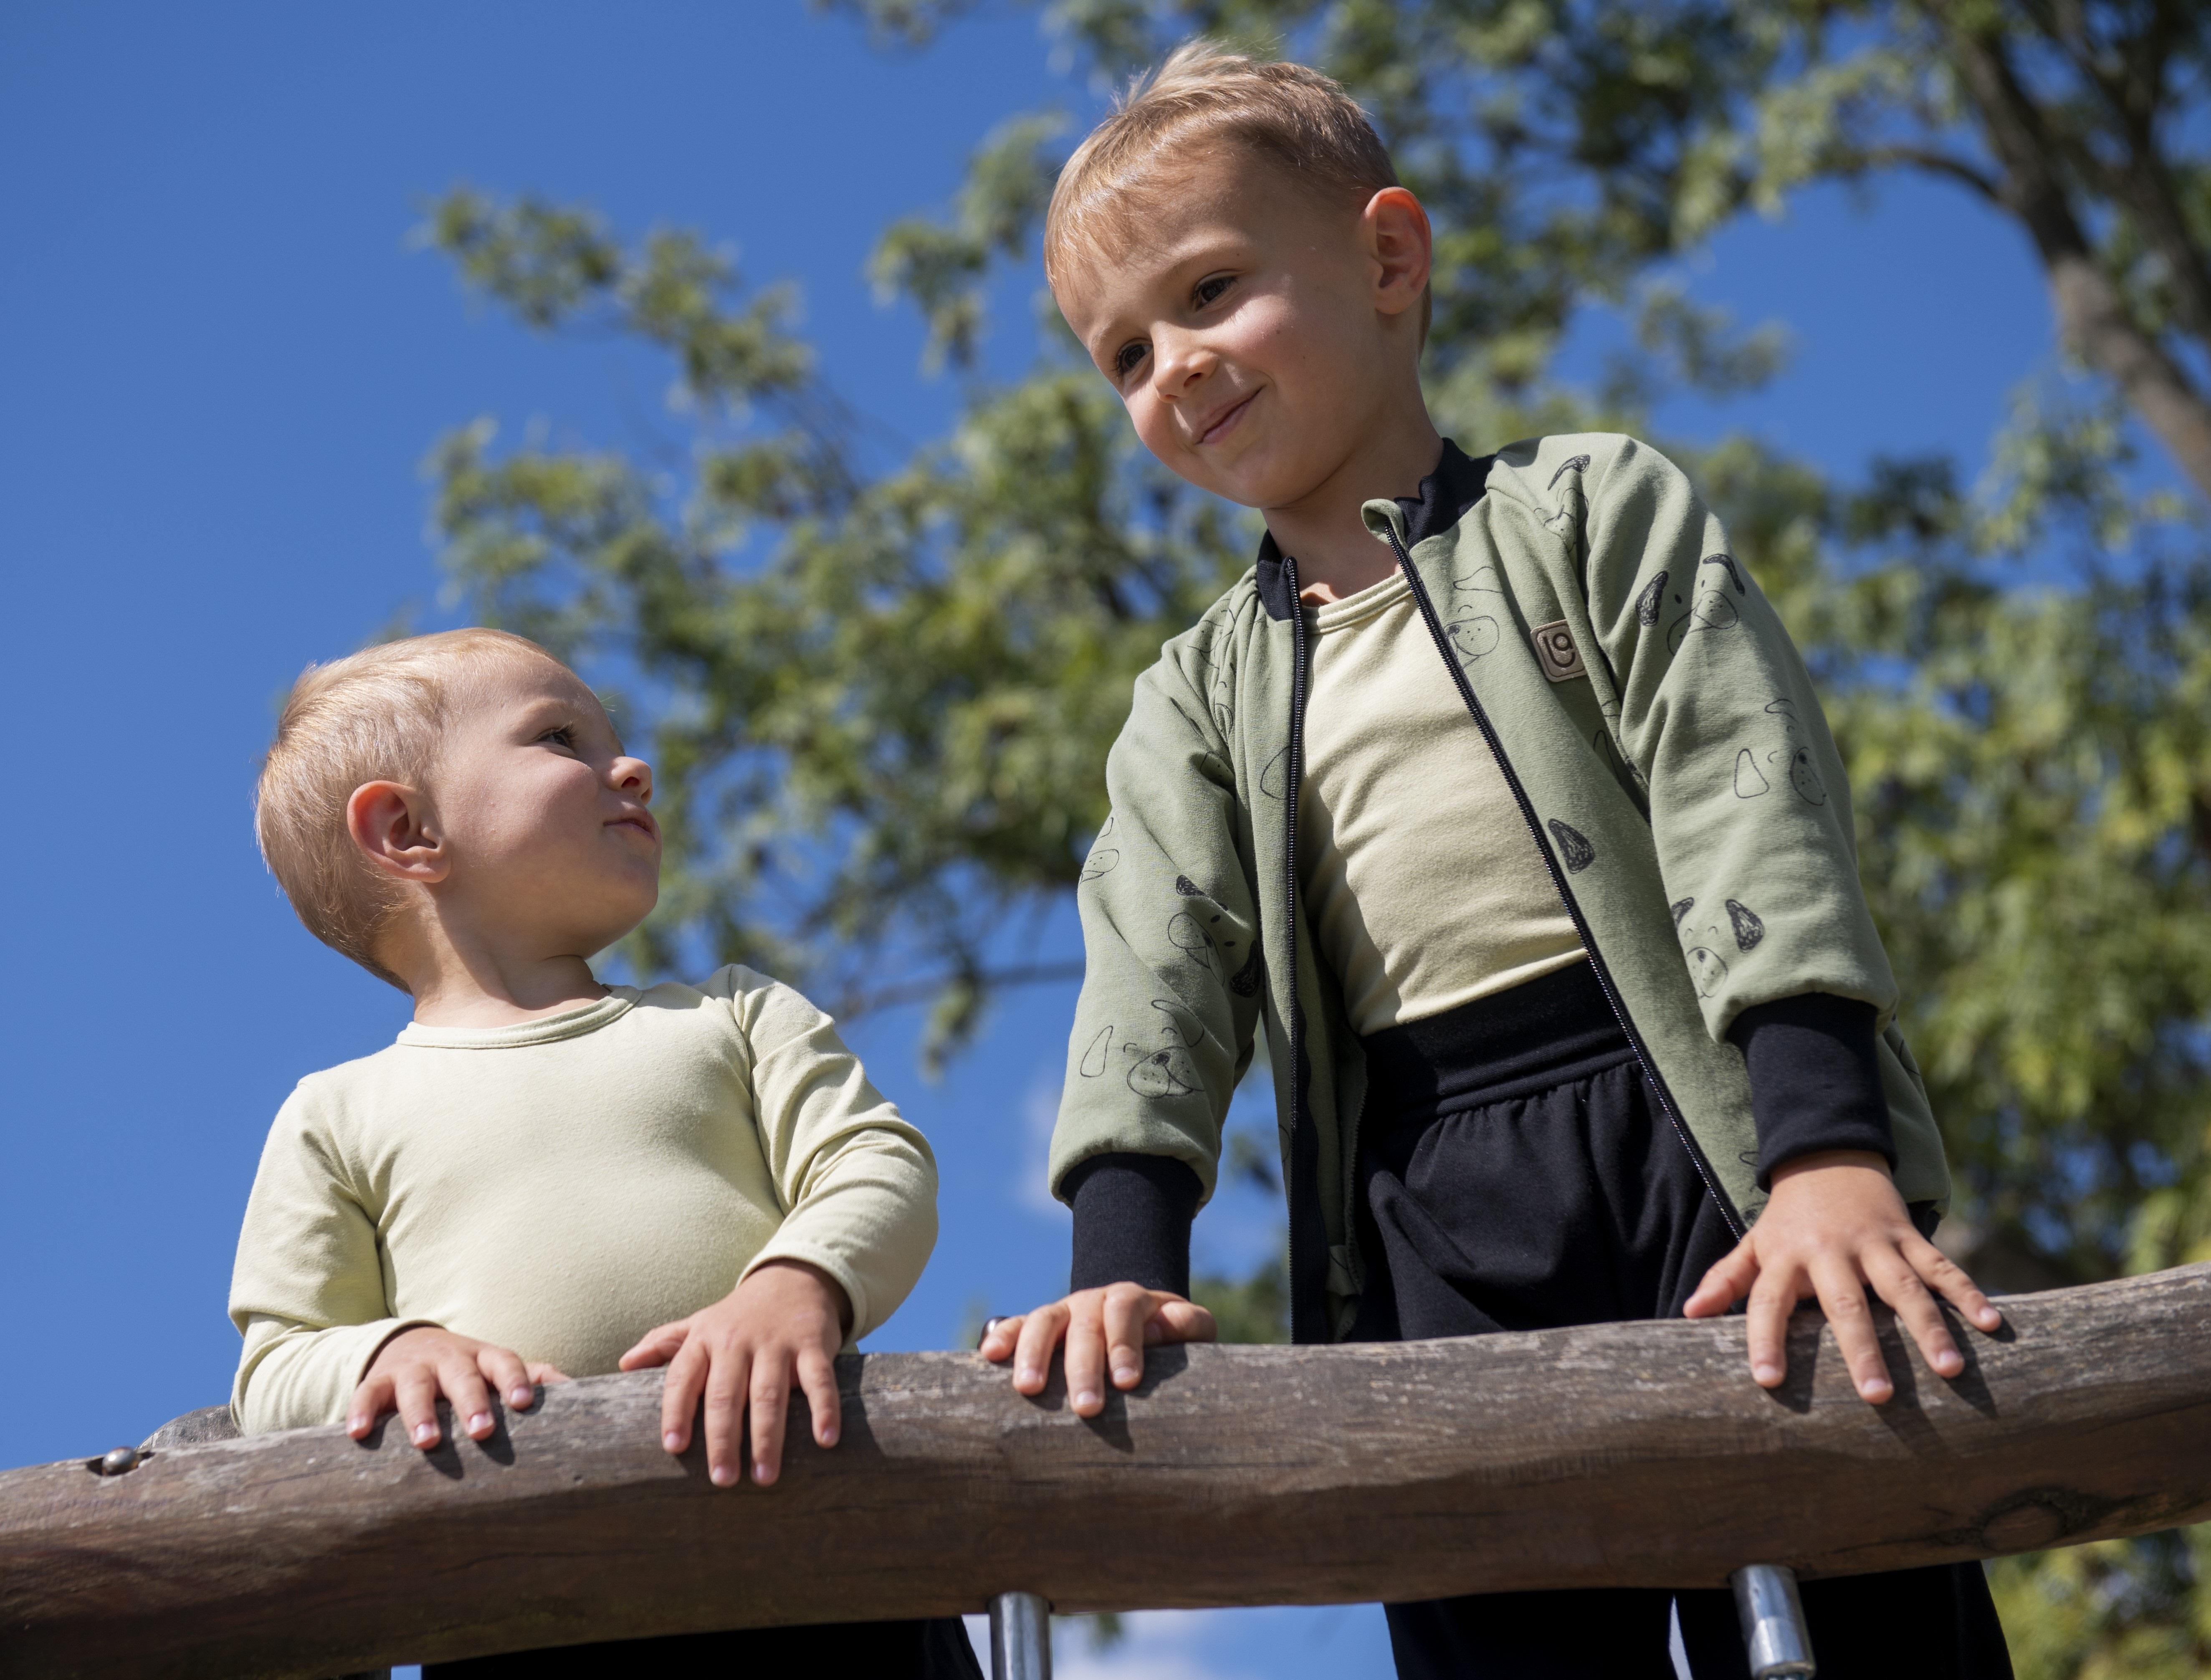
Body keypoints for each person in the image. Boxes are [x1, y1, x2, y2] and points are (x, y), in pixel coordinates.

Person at [978, 42, 2014, 1680]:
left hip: (1695, 1122)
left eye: (1213, 290)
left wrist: (1825, 1152)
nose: (1172, 364)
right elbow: (1155, 969)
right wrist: (1124, 1268)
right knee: (1497, 1617)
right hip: (1429, 1199)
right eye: (1123, 352)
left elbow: (1745, 801)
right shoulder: (1198, 694)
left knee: (1857, 1546)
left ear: (1389, 258)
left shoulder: (1591, 511)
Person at [230, 627, 980, 1679]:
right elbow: (277, 1363)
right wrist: (388, 1355)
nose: (630, 767)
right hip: (524, 1614)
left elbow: (876, 1164)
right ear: (407, 828)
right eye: (559, 738)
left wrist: (798, 1283)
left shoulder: (732, 1014)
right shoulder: (338, 1113)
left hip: (828, 1560)